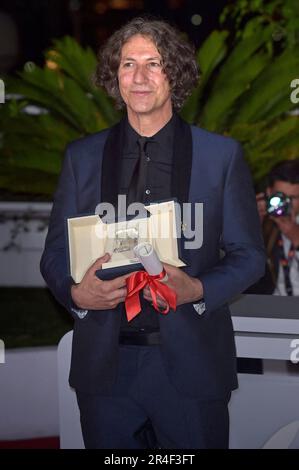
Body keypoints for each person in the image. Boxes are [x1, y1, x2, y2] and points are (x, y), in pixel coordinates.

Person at [40, 17, 265, 449]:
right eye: (128, 64)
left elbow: (250, 255)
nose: (139, 77)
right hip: (104, 367)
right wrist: (75, 295)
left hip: (191, 364)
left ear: (174, 75)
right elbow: (54, 253)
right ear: (114, 76)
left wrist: (197, 288)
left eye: (153, 63)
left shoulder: (220, 157)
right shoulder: (81, 158)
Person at [249, 159, 299, 295]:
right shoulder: (265, 221)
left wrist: (296, 237)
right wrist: (250, 224)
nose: (285, 203)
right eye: (280, 197)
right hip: (273, 309)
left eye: (293, 198)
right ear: (269, 193)